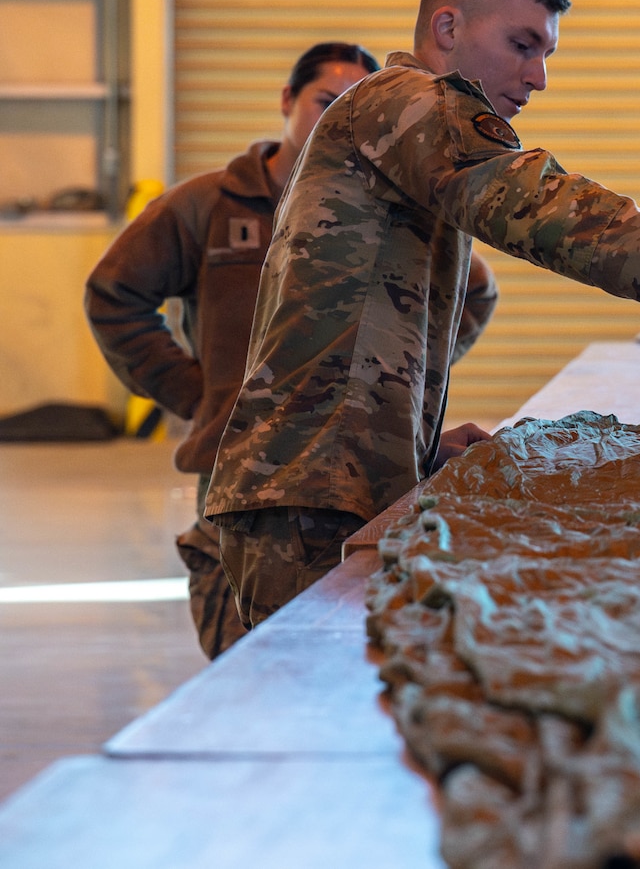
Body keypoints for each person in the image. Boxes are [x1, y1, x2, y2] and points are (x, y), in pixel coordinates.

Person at [206, 0, 640, 627]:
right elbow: (534, 199)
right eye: (522, 43)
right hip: (307, 497)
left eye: (546, 53)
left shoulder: (402, 132)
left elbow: (346, 328)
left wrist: (416, 442)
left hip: (323, 483)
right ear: (448, 26)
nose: (538, 76)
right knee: (308, 716)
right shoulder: (404, 102)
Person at [86, 42, 499, 658]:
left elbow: (473, 291)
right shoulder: (210, 206)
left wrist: (398, 394)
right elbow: (114, 295)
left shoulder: (389, 209)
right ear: (287, 100)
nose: (337, 121)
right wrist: (196, 396)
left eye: (354, 109)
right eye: (325, 103)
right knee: (246, 657)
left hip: (353, 477)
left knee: (340, 647)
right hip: (241, 472)